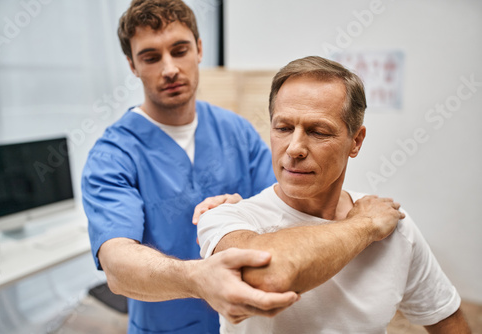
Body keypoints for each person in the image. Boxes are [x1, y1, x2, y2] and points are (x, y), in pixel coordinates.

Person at [82, 0, 405, 332]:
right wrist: (198, 278)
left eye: (179, 50)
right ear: (132, 65)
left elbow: (288, 211)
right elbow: (117, 264)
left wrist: (247, 208)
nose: (169, 69)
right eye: (150, 57)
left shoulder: (235, 131)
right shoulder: (113, 155)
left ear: (199, 48)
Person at [198, 56, 472, 333]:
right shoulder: (227, 218)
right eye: (283, 128)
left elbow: (448, 321)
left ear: (356, 141)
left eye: (318, 132)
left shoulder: (395, 229)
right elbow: (268, 277)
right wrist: (363, 226)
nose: (294, 148)